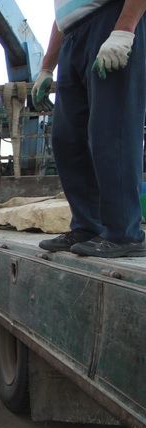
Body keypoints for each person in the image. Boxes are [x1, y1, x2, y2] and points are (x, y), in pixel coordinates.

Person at [34, 0, 146, 258]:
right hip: (73, 37)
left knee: (111, 132)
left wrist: (124, 29)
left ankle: (124, 233)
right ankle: (87, 226)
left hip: (110, 21)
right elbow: (63, 17)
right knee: (67, 140)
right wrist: (46, 68)